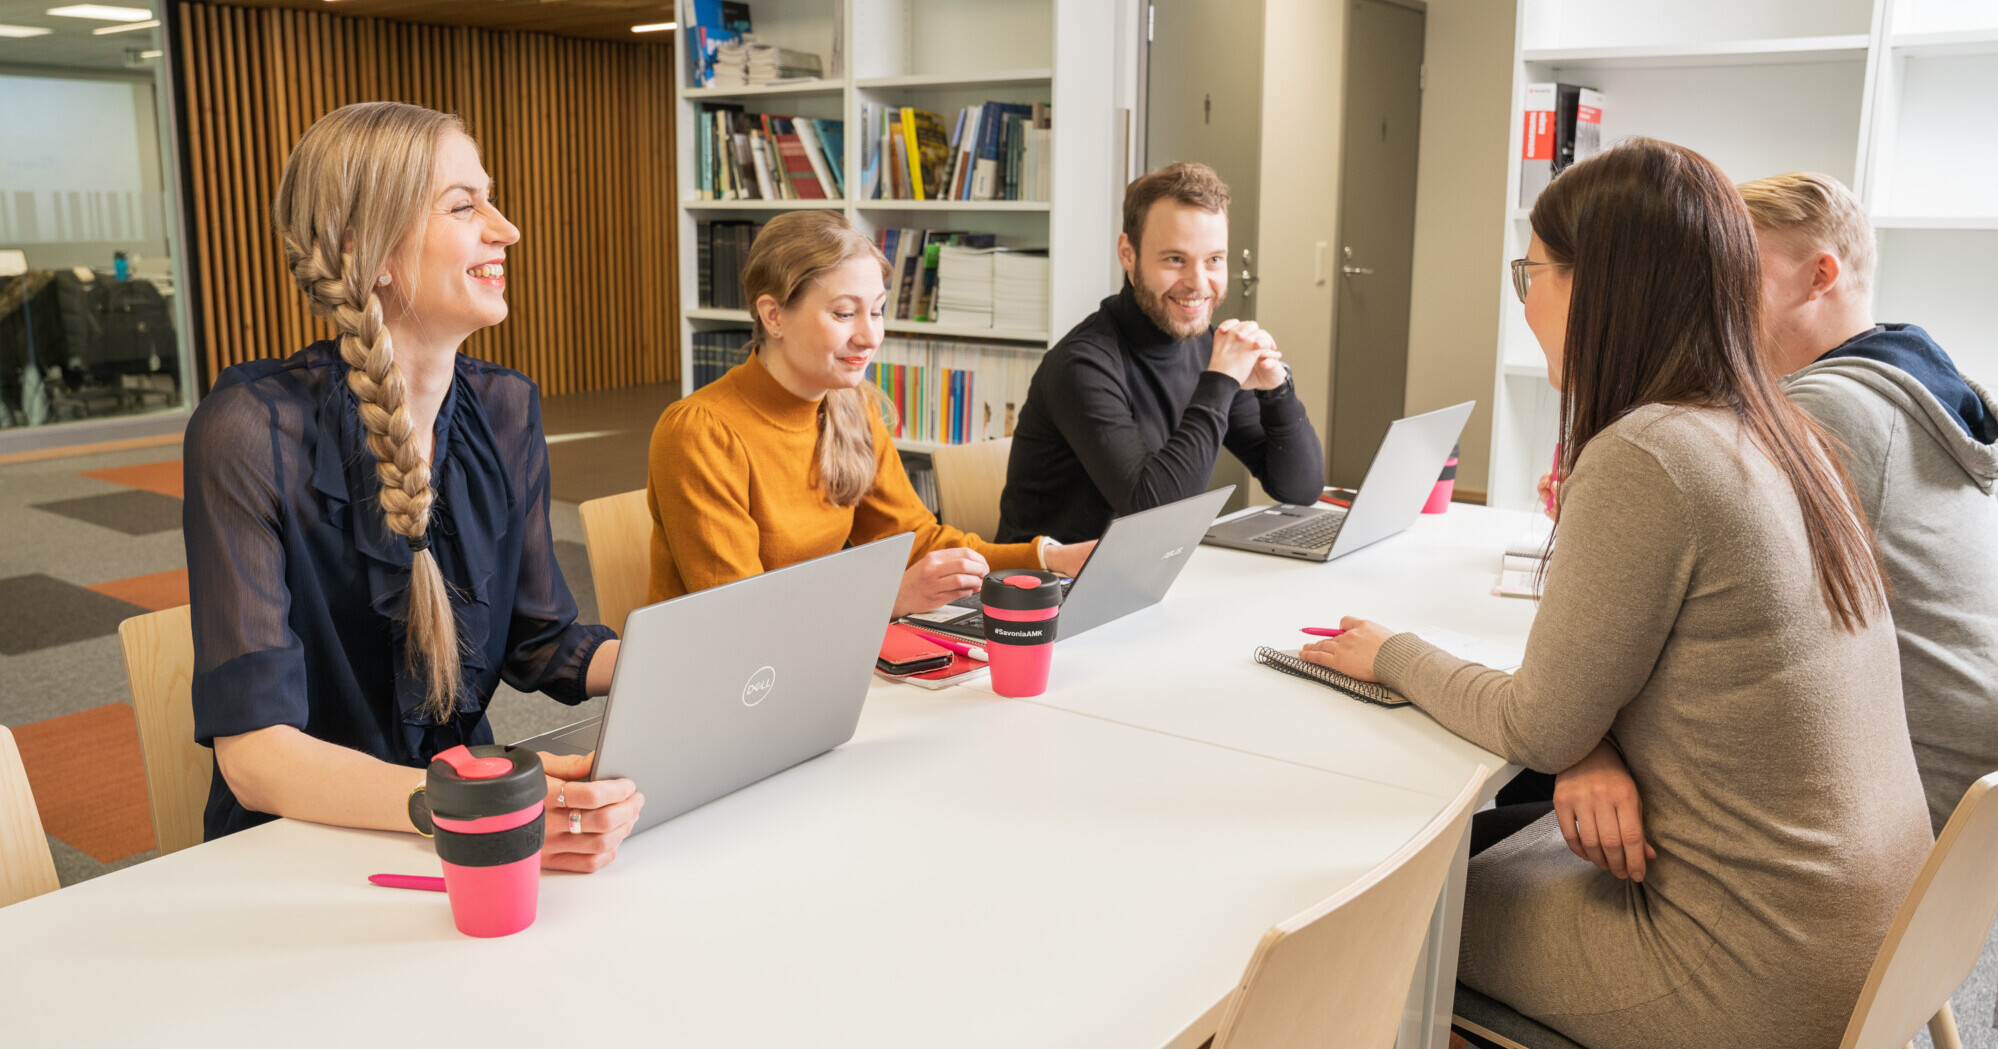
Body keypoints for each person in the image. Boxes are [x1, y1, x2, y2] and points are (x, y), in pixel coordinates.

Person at [1299, 139, 1930, 1049]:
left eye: (1533, 272)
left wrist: (1392, 652)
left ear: (1599, 285)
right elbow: (1616, 695)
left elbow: (1537, 725)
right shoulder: (1784, 431)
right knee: (1505, 824)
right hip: (1877, 936)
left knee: (1368, 904)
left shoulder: (1651, 455)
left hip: (1748, 973)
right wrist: (1587, 742)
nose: (1525, 304)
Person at [183, 102, 643, 872]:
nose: (507, 229)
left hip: (469, 827)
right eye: (464, 206)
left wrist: (676, 669)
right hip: (304, 854)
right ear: (370, 251)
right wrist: (464, 811)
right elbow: (257, 757)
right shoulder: (250, 431)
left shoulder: (507, 409)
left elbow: (542, 641)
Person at [1546, 174, 1998, 848]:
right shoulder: (1917, 392)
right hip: (1936, 822)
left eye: (1737, 275)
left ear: (1820, 276)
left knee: (1539, 779)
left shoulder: (1824, 415)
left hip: (1883, 822)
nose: (1710, 303)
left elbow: (1632, 663)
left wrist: (1582, 741)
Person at [646, 210, 1094, 613]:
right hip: (727, 682)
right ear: (773, 316)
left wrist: (1049, 558)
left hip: (814, 657)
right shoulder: (701, 433)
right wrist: (892, 599)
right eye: (844, 314)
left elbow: (914, 542)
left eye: (877, 311)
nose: (870, 336)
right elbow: (740, 613)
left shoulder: (850, 405)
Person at [994, 162, 1323, 543]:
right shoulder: (1082, 365)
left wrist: (1276, 391)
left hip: (1147, 575)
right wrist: (1219, 384)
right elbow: (1156, 512)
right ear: (1128, 254)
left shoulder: (1206, 348)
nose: (1199, 284)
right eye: (1175, 259)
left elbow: (1301, 489)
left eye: (1214, 259)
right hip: (1057, 591)